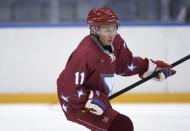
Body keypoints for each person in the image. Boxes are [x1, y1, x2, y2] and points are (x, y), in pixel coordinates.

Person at [57, 7, 176, 131]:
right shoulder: (84, 53)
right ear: (94, 29)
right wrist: (91, 99)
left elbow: (125, 65)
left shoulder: (116, 42)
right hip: (77, 105)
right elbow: (66, 88)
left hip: (98, 100)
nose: (111, 34)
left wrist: (150, 68)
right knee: (121, 126)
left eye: (113, 28)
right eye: (105, 29)